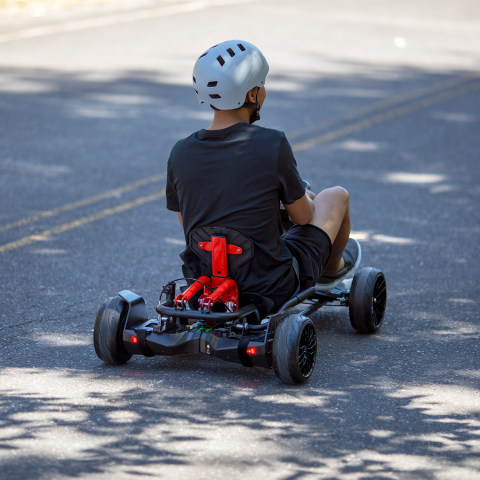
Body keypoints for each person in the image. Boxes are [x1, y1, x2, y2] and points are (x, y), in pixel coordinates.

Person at [166, 40, 359, 315]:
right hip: (269, 285)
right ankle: (331, 271)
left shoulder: (180, 151)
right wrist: (302, 198)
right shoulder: (272, 143)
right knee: (335, 195)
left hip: (204, 283)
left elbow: (189, 223)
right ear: (253, 95)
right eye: (262, 85)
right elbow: (303, 218)